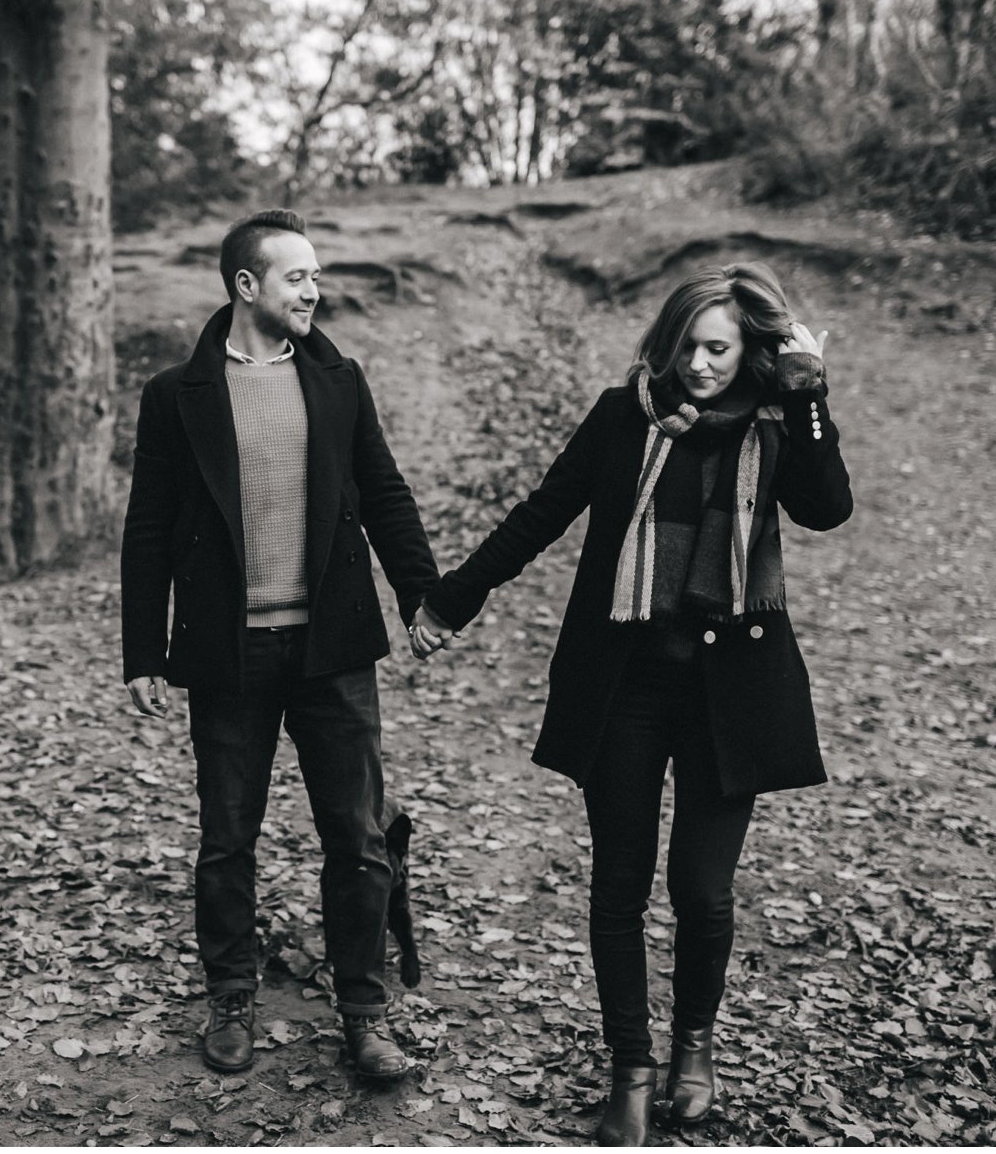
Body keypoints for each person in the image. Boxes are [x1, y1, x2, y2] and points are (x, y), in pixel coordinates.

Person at [411, 262, 853, 1145]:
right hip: (625, 686)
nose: (698, 364)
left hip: (731, 687)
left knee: (702, 890)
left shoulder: (775, 423)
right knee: (617, 888)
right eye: (687, 345)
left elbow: (826, 508)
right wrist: (454, 597)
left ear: (749, 349)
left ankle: (694, 1049)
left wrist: (810, 393)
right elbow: (541, 513)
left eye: (718, 348)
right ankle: (633, 1074)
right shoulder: (625, 417)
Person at [121, 209, 439, 1082]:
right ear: (246, 286)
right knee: (227, 839)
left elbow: (385, 494)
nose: (315, 290)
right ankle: (230, 997)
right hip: (227, 654)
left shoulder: (337, 380)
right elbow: (147, 529)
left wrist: (424, 596)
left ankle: (365, 1015)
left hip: (331, 649)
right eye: (298, 277)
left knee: (358, 838)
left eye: (316, 275)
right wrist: (144, 649)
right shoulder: (176, 396)